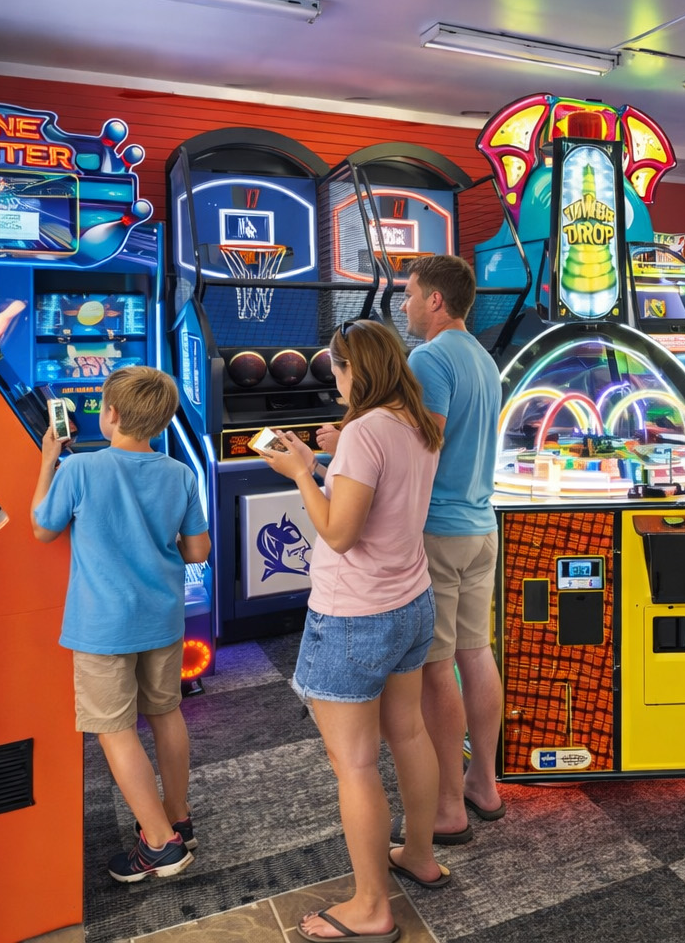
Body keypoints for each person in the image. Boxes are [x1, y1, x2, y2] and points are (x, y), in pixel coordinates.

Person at [260, 319, 448, 943]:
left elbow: (339, 533)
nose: (332, 380)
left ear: (353, 369)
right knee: (410, 733)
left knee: (356, 764)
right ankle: (418, 854)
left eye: (335, 369)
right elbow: (378, 496)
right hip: (411, 602)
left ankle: (371, 907)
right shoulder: (417, 421)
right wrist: (322, 461)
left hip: (354, 616)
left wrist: (300, 474)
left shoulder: (365, 431)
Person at [31, 366, 210, 883]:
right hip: (162, 618)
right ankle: (178, 817)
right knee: (166, 713)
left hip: (103, 626)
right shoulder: (180, 474)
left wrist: (47, 462)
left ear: (109, 414)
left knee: (113, 729)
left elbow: (42, 528)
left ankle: (159, 843)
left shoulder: (80, 469)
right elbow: (198, 550)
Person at [399, 255, 506, 843]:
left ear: (436, 300)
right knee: (476, 654)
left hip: (439, 530)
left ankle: (447, 808)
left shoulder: (429, 357)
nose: (405, 304)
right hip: (480, 527)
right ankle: (483, 784)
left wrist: (349, 442)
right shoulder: (483, 358)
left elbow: (425, 445)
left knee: (437, 667)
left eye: (410, 294)